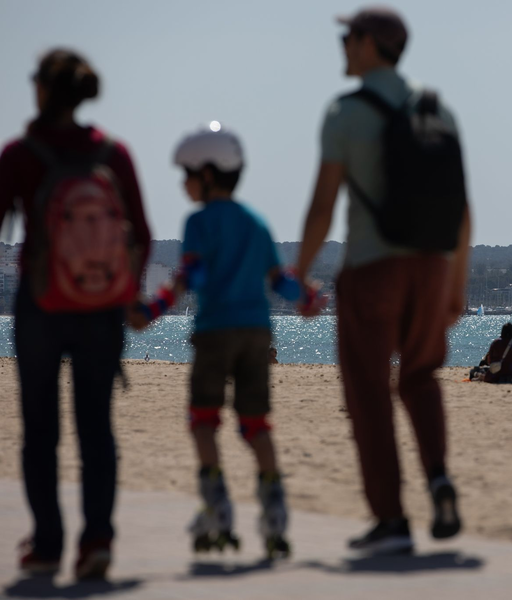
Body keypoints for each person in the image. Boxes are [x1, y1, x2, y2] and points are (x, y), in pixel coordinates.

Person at [295, 6, 471, 555]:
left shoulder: (344, 112)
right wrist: (456, 287)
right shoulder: (438, 109)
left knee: (368, 392)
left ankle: (392, 520)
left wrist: (297, 275)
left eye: (349, 36)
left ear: (371, 44)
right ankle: (439, 479)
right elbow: (463, 212)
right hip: (431, 269)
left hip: (373, 269)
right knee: (420, 378)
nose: (343, 45)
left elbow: (324, 206)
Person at [0, 49, 152, 579]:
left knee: (40, 429)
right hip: (101, 309)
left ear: (43, 89)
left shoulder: (20, 154)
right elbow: (143, 235)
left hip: (40, 305)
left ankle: (46, 545)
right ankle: (98, 542)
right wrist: (126, 296)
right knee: (97, 430)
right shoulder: (113, 153)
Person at [130, 124, 307, 559]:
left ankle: (217, 509)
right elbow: (280, 281)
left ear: (207, 174)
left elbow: (191, 277)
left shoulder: (197, 222)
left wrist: (150, 311)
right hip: (256, 333)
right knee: (257, 426)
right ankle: (275, 516)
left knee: (204, 421)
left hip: (214, 332)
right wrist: (309, 299)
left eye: (186, 174)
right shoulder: (256, 222)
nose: (182, 183)